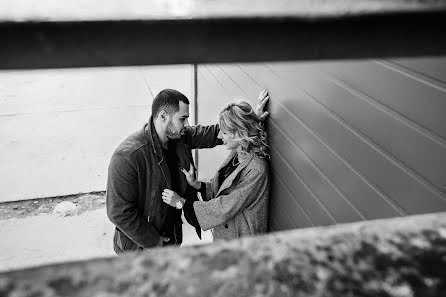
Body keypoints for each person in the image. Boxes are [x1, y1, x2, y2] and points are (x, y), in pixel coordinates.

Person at [106, 89, 269, 253]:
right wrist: (152, 240)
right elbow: (118, 212)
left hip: (172, 236)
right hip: (141, 247)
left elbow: (222, 132)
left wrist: (249, 121)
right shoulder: (128, 156)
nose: (187, 125)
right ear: (163, 116)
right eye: (182, 119)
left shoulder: (179, 136)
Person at [162, 101, 270, 241]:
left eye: (224, 132)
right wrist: (197, 185)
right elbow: (223, 189)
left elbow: (225, 207)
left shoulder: (256, 170)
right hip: (227, 234)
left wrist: (181, 202)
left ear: (239, 133)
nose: (219, 136)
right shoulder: (237, 154)